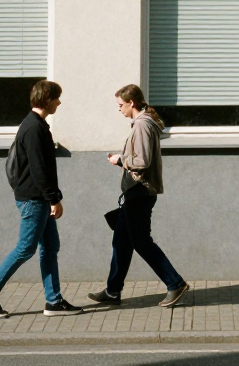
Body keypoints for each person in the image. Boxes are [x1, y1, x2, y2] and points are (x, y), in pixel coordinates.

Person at [0, 80, 83, 319]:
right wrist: (54, 199)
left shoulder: (37, 125)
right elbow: (40, 169)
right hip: (35, 200)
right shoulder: (33, 128)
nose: (59, 102)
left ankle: (53, 302)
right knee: (25, 249)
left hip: (39, 199)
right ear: (47, 100)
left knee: (50, 248)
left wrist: (51, 198)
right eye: (57, 98)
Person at [87, 84, 190, 308]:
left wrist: (120, 160)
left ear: (131, 103)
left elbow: (142, 161)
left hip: (140, 191)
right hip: (136, 191)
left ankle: (176, 283)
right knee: (121, 241)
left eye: (121, 105)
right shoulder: (142, 123)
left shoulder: (142, 125)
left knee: (142, 242)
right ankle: (113, 291)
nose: (119, 109)